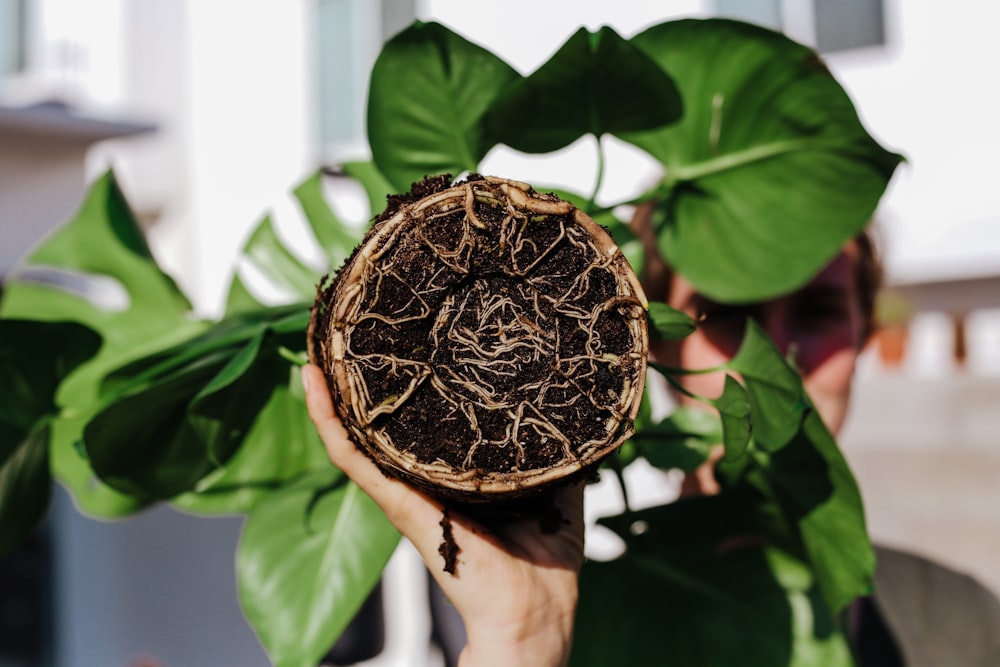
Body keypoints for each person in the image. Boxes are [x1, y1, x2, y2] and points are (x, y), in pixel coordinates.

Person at [303, 203, 1000, 666]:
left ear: (864, 332)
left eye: (816, 311)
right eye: (728, 312)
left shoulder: (953, 623)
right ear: (650, 341)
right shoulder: (571, 624)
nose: (775, 353)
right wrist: (522, 639)